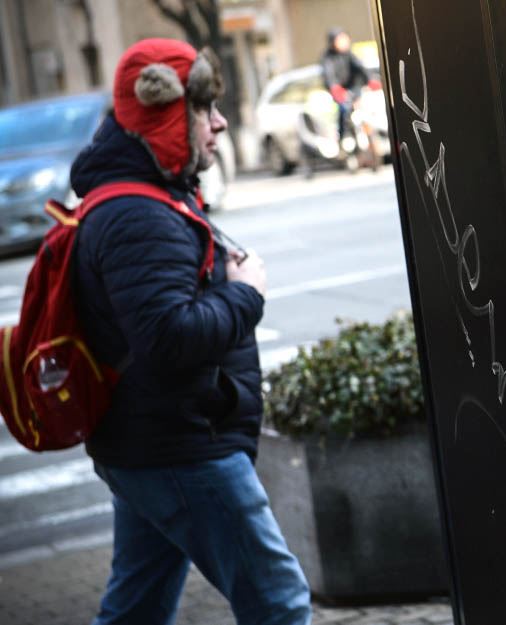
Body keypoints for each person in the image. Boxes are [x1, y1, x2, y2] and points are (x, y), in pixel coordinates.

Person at [69, 38, 312, 625]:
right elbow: (168, 340)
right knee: (280, 604)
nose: (221, 124)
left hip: (150, 443)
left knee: (137, 610)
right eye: (204, 109)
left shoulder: (145, 200)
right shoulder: (137, 217)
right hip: (182, 450)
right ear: (165, 118)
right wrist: (244, 294)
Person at [320, 27, 369, 145]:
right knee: (343, 111)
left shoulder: (349, 54)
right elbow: (328, 74)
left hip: (355, 89)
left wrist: (369, 80)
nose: (344, 42)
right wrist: (335, 88)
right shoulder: (328, 57)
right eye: (340, 39)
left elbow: (360, 68)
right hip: (340, 92)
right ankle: (342, 139)